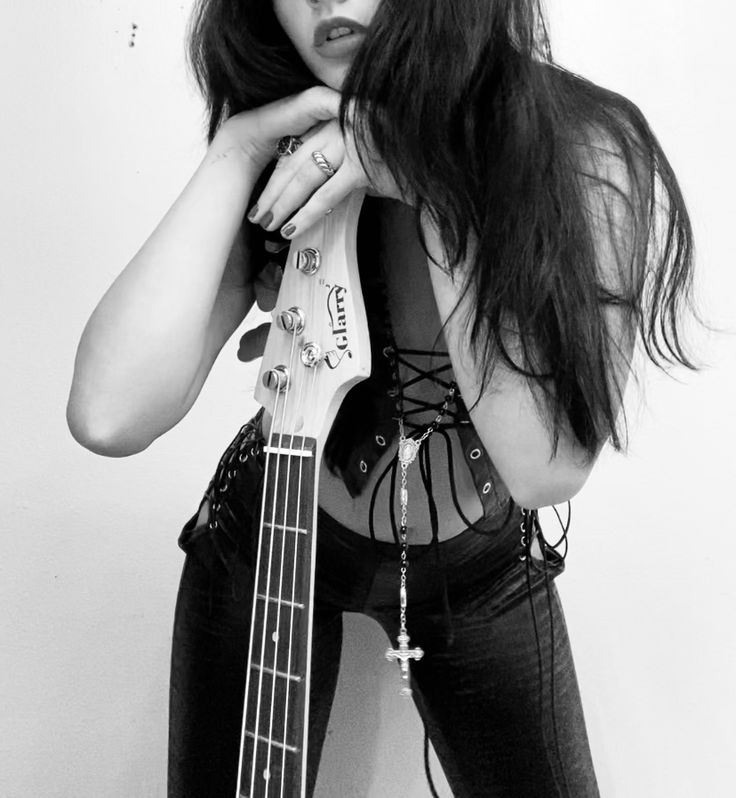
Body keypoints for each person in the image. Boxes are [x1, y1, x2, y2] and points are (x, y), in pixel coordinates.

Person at [67, 0, 702, 795]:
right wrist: (236, 146)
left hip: (480, 566)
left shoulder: (584, 147)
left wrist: (416, 168)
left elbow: (546, 468)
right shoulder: (289, 148)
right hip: (274, 530)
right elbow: (106, 414)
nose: (327, 3)